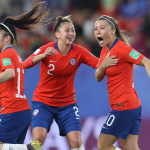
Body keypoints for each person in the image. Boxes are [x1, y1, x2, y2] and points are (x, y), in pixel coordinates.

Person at [23, 15, 103, 150]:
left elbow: (98, 64)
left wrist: (115, 60)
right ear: (57, 34)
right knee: (38, 141)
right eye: (67, 30)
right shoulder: (46, 49)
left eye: (73, 30)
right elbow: (25, 64)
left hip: (67, 104)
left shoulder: (79, 51)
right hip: (43, 102)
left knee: (77, 142)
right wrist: (42, 56)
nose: (71, 33)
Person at [0, 2, 54, 150]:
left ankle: (29, 148)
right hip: (22, 110)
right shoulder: (16, 56)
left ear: (7, 38)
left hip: (12, 109)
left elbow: (9, 73)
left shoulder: (6, 54)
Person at [94, 15, 150, 150]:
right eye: (95, 29)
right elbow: (98, 77)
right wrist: (103, 66)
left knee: (103, 145)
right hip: (131, 106)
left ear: (113, 31)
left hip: (124, 106)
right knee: (130, 148)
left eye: (102, 28)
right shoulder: (104, 51)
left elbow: (146, 61)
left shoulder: (122, 49)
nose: (98, 32)